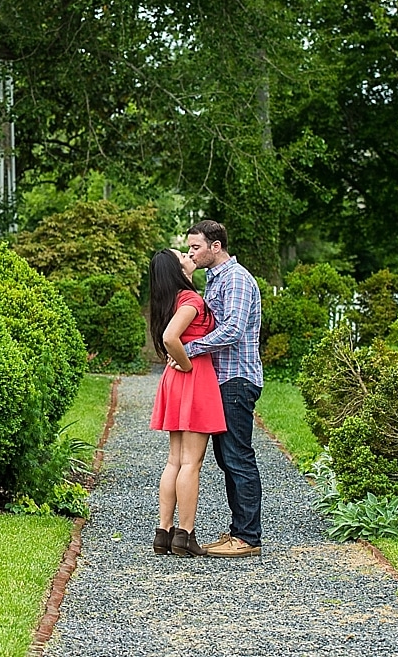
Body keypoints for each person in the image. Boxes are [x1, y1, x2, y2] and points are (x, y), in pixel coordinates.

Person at [183, 219, 264, 558]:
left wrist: (190, 349)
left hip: (236, 381)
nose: (191, 252)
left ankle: (247, 537)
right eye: (189, 247)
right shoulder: (216, 280)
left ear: (215, 247)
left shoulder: (237, 280)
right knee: (227, 458)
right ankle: (238, 532)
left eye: (195, 247)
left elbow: (231, 330)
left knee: (238, 457)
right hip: (222, 382)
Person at [148, 249, 226, 558]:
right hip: (193, 377)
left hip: (174, 379)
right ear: (176, 269)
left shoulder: (169, 300)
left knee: (174, 461)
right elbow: (171, 338)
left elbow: (169, 336)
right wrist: (189, 363)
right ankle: (186, 533)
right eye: (182, 254)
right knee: (191, 463)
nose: (189, 254)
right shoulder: (191, 300)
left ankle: (163, 532)